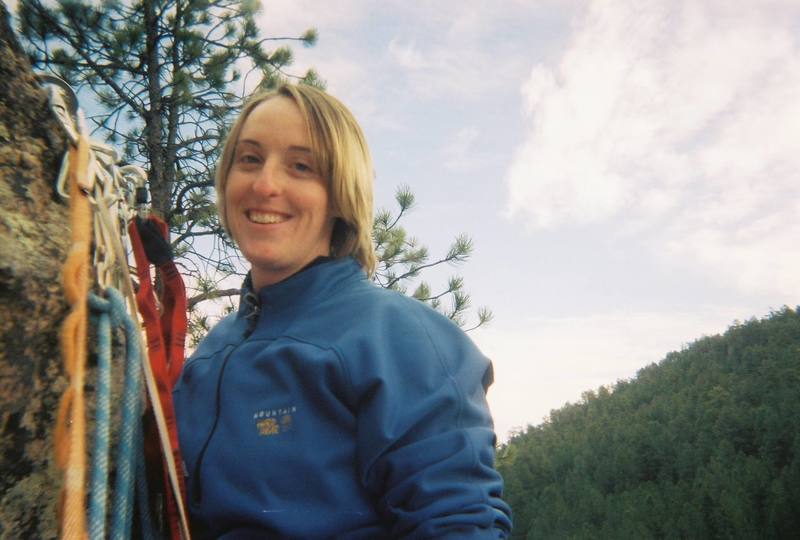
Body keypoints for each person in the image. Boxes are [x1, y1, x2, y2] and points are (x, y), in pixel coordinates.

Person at [173, 83, 513, 539]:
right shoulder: (209, 358)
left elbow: (456, 523)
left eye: (301, 166)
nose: (265, 184)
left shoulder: (398, 337)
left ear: (339, 196)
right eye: (250, 159)